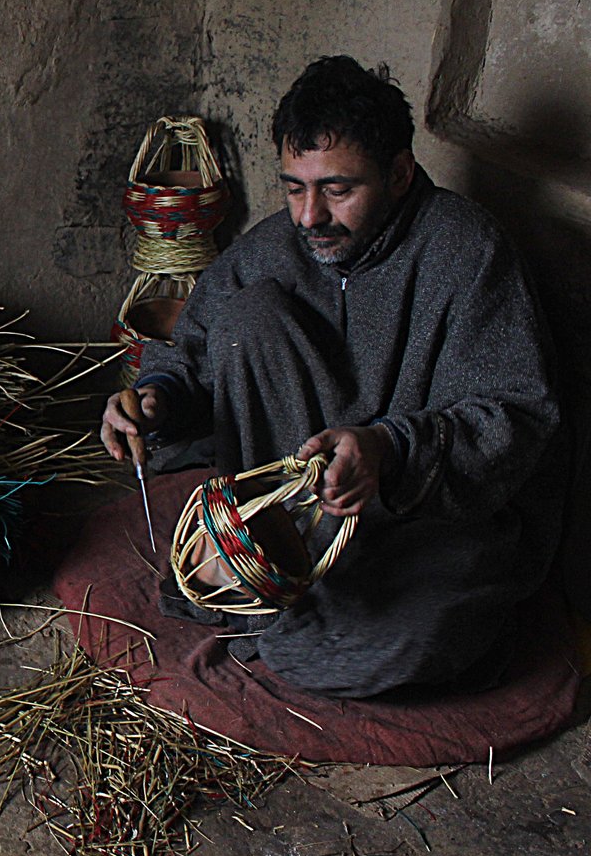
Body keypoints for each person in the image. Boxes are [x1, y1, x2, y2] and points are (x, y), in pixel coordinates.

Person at [100, 56, 562, 698]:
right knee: (249, 314)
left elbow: (516, 414)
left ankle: (315, 617)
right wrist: (155, 399)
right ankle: (275, 566)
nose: (309, 215)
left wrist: (388, 449)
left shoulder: (466, 251)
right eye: (294, 187)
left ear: (399, 174)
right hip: (287, 519)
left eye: (338, 189)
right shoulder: (274, 248)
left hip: (415, 525)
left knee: (395, 640)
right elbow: (194, 355)